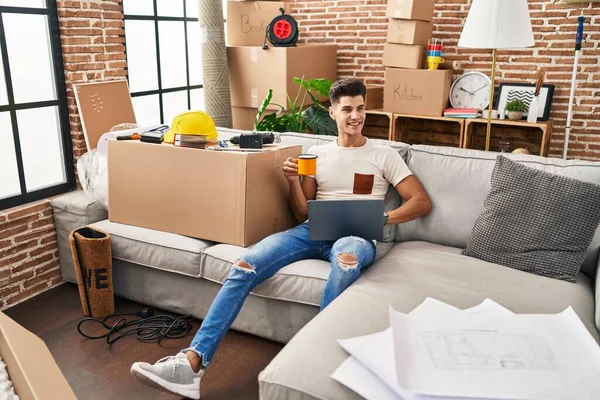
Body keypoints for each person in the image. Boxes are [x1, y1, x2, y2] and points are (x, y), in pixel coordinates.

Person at [130, 78, 432, 399]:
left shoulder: (384, 155)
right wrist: (292, 181)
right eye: (347, 109)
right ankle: (191, 363)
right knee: (245, 264)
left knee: (346, 261)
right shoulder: (318, 154)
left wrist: (380, 218)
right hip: (313, 230)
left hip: (356, 235)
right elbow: (304, 212)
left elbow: (421, 202)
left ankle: (318, 369)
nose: (355, 115)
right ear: (332, 113)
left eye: (360, 108)